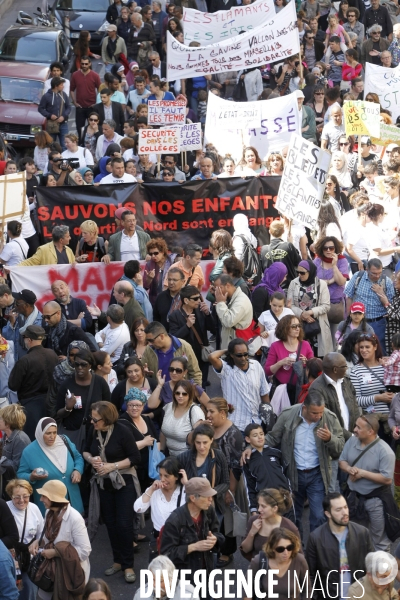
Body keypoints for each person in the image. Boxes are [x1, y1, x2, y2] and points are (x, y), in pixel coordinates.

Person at [263, 396, 345, 536]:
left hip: (317, 475)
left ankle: (315, 550)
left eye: (321, 412)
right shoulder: (288, 415)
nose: (318, 416)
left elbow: (340, 446)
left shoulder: (329, 418)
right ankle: (297, 549)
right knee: (294, 516)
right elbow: (273, 438)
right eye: (314, 413)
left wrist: (330, 439)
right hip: (293, 474)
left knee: (319, 516)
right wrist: (252, 447)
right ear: (304, 408)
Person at [83, 401, 141, 583]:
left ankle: (128, 564)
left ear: (106, 418)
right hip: (103, 483)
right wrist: (92, 459)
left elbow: (135, 457)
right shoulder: (94, 430)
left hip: (124, 482)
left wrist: (112, 466)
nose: (92, 422)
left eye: (96, 419)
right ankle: (117, 561)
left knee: (124, 524)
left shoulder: (122, 431)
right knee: (110, 523)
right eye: (91, 418)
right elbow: (84, 451)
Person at [339, 414, 396, 551]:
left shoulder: (385, 452)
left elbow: (387, 479)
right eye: (355, 426)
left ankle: (381, 571)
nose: (354, 429)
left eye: (359, 427)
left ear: (371, 431)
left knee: (379, 542)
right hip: (354, 499)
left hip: (376, 501)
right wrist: (349, 469)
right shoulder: (352, 441)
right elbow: (342, 461)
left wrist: (362, 474)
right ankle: (360, 570)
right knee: (355, 538)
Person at [305, 493, 374, 599]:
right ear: (328, 514)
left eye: (345, 507)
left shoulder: (362, 533)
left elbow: (372, 567)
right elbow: (310, 575)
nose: (345, 512)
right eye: (338, 510)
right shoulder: (316, 538)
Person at [28, 480, 91, 592]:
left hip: (69, 574)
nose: (41, 499)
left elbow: (85, 551)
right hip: (49, 572)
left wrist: (56, 553)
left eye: (44, 496)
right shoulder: (49, 513)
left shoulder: (74, 518)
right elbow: (47, 538)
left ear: (54, 498)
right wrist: (37, 542)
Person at [160, 477, 224, 584]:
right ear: (193, 498)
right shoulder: (175, 520)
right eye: (206, 496)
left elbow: (219, 534)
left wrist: (215, 539)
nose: (211, 499)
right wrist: (193, 547)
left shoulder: (209, 511)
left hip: (206, 573)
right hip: (184, 579)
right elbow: (166, 554)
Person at [17, 417, 84, 516]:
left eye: (54, 432)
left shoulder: (64, 440)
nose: (52, 436)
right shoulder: (29, 451)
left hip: (73, 501)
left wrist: (77, 470)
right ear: (40, 433)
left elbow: (78, 457)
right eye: (48, 433)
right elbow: (20, 475)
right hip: (50, 505)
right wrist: (31, 477)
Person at [8, 326, 59, 441]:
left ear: (29, 340)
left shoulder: (25, 360)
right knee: (50, 438)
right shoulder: (52, 354)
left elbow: (13, 385)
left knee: (33, 439)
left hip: (31, 406)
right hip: (51, 403)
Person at [208, 339, 270, 434]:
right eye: (239, 355)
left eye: (246, 354)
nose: (243, 358)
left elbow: (264, 393)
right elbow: (212, 357)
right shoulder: (226, 369)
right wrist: (227, 350)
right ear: (231, 355)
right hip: (237, 425)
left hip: (257, 422)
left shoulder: (256, 366)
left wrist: (268, 415)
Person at [168, 285, 216, 388]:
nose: (199, 300)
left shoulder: (200, 310)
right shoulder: (175, 316)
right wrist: (187, 326)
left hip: (202, 355)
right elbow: (174, 338)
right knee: (187, 386)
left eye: (199, 297)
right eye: (195, 298)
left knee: (201, 385)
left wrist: (208, 314)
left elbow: (213, 329)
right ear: (186, 300)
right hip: (186, 357)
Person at [345, 258, 395, 354]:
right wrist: (349, 317)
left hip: (378, 322)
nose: (377, 276)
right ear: (367, 270)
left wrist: (381, 293)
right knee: (358, 349)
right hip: (359, 321)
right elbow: (349, 297)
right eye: (374, 273)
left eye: (379, 273)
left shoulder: (386, 281)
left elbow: (391, 305)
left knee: (379, 350)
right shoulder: (358, 277)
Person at [242, 423, 293, 515]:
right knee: (272, 528)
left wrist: (289, 494)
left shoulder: (276, 453)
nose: (259, 437)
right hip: (266, 502)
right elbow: (249, 486)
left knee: (289, 527)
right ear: (248, 439)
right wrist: (253, 509)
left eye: (261, 434)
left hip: (283, 498)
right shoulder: (248, 460)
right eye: (255, 435)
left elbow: (287, 475)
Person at [6, 478, 44, 600]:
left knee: (29, 591)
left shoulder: (34, 508)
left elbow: (41, 534)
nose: (21, 500)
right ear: (11, 496)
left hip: (29, 560)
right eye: (17, 497)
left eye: (25, 496)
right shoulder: (5, 509)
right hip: (10, 559)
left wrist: (37, 543)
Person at [134, 456, 185, 545]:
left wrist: (187, 484)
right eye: (160, 475)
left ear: (177, 476)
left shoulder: (185, 490)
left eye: (166, 476)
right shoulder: (154, 490)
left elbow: (200, 504)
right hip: (158, 539)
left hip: (180, 540)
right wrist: (151, 490)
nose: (162, 479)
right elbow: (138, 508)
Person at [247, 527, 309, 600]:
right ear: (272, 548)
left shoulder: (299, 560)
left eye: (289, 548)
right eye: (280, 549)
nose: (286, 553)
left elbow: (307, 590)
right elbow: (247, 591)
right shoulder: (258, 561)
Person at [287, 259, 333, 358]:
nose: (299, 275)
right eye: (297, 272)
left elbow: (326, 306)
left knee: (317, 358)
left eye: (302, 273)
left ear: (310, 272)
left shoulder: (321, 285)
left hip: (317, 326)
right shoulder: (293, 283)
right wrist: (302, 314)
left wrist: (310, 312)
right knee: (300, 356)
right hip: (299, 325)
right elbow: (289, 305)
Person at [265, 315, 314, 404]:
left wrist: (307, 362)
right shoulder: (275, 346)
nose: (297, 329)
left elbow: (315, 367)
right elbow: (268, 371)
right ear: (285, 328)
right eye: (294, 326)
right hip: (282, 392)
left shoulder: (305, 344)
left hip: (301, 390)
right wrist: (281, 363)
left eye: (299, 326)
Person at [240, 488, 300, 561]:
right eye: (258, 505)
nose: (259, 509)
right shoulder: (254, 521)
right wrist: (251, 533)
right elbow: (245, 550)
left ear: (275, 508)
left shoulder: (289, 527)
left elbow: (298, 557)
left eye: (263, 506)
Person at [160, 380, 205, 456]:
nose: (180, 396)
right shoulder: (169, 407)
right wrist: (161, 451)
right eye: (177, 393)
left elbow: (199, 438)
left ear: (190, 395)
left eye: (184, 394)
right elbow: (163, 432)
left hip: (188, 458)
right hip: (170, 457)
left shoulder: (195, 411)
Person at [213, 274, 253, 349]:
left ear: (227, 285)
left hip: (237, 349)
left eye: (219, 288)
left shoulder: (241, 301)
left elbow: (228, 321)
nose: (217, 292)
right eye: (216, 289)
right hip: (231, 344)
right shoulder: (230, 297)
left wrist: (221, 304)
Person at [2, 289, 43, 361]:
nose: (15, 306)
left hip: (30, 363)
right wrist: (11, 324)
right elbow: (6, 337)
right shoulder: (16, 316)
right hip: (15, 361)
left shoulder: (39, 321)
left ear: (26, 305)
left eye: (17, 304)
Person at [133, 555, 198, 600]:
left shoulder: (189, 595)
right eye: (152, 579)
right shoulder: (141, 595)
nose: (155, 585)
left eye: (160, 581)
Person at [260, 221, 301, 287]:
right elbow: (299, 263)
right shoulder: (288, 246)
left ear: (269, 231)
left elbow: (262, 270)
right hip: (288, 288)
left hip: (271, 289)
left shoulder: (264, 249)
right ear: (283, 231)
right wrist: (291, 243)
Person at [38, 77, 71, 150]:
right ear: (56, 86)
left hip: (63, 124)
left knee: (65, 145)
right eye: (61, 85)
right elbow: (40, 108)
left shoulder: (64, 95)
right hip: (52, 125)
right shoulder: (46, 96)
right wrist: (50, 115)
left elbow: (68, 107)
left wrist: (64, 116)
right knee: (51, 145)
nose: (63, 86)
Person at [143, 238, 176, 307]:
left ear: (162, 251)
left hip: (171, 300)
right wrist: (149, 279)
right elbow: (145, 287)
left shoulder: (172, 261)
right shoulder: (149, 264)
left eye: (156, 253)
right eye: (151, 254)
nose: (153, 256)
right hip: (155, 301)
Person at [0, 405, 30, 480]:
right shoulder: (6, 436)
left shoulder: (20, 439)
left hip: (16, 484)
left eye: (0, 418)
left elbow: (17, 467)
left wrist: (2, 459)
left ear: (8, 422)